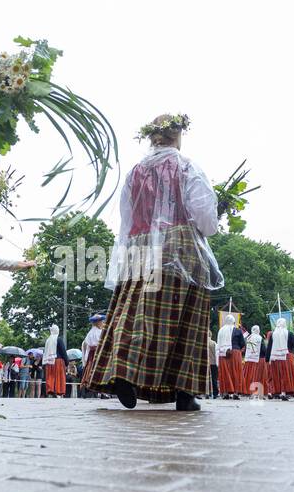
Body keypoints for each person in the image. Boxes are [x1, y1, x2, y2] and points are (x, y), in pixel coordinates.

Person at [84, 113, 222, 411]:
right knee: (186, 319)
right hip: (180, 246)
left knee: (135, 313)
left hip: (139, 246)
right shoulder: (187, 167)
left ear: (152, 137)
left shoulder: (135, 172)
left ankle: (125, 372)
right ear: (178, 135)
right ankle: (185, 393)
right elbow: (206, 221)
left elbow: (126, 217)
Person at [267, 316, 294, 400]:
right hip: (287, 356)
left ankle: (278, 391)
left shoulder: (273, 334)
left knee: (278, 375)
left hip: (276, 357)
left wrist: (268, 359)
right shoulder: (288, 333)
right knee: (286, 375)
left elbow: (269, 347)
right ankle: (284, 392)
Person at [216, 313, 247, 398]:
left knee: (225, 372)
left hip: (223, 353)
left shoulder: (221, 330)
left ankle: (225, 392)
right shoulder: (237, 330)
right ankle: (236, 392)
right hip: (235, 352)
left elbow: (218, 343)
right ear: (233, 321)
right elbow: (242, 344)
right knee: (235, 372)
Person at [82, 312, 105, 397]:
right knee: (98, 372)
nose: (103, 323)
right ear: (98, 322)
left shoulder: (90, 332)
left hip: (91, 355)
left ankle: (88, 389)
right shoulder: (99, 332)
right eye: (102, 322)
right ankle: (100, 391)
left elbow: (85, 345)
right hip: (97, 354)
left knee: (89, 370)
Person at [43, 324, 68, 397]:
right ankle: (58, 391)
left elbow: (45, 352)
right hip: (58, 361)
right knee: (59, 376)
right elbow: (63, 351)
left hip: (49, 361)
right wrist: (66, 362)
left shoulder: (48, 340)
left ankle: (51, 390)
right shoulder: (58, 339)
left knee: (50, 376)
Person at [243, 323, 265, 396]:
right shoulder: (259, 338)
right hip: (257, 359)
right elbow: (263, 349)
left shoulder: (249, 337)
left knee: (247, 375)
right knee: (255, 375)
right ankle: (254, 390)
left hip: (248, 359)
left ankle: (245, 390)